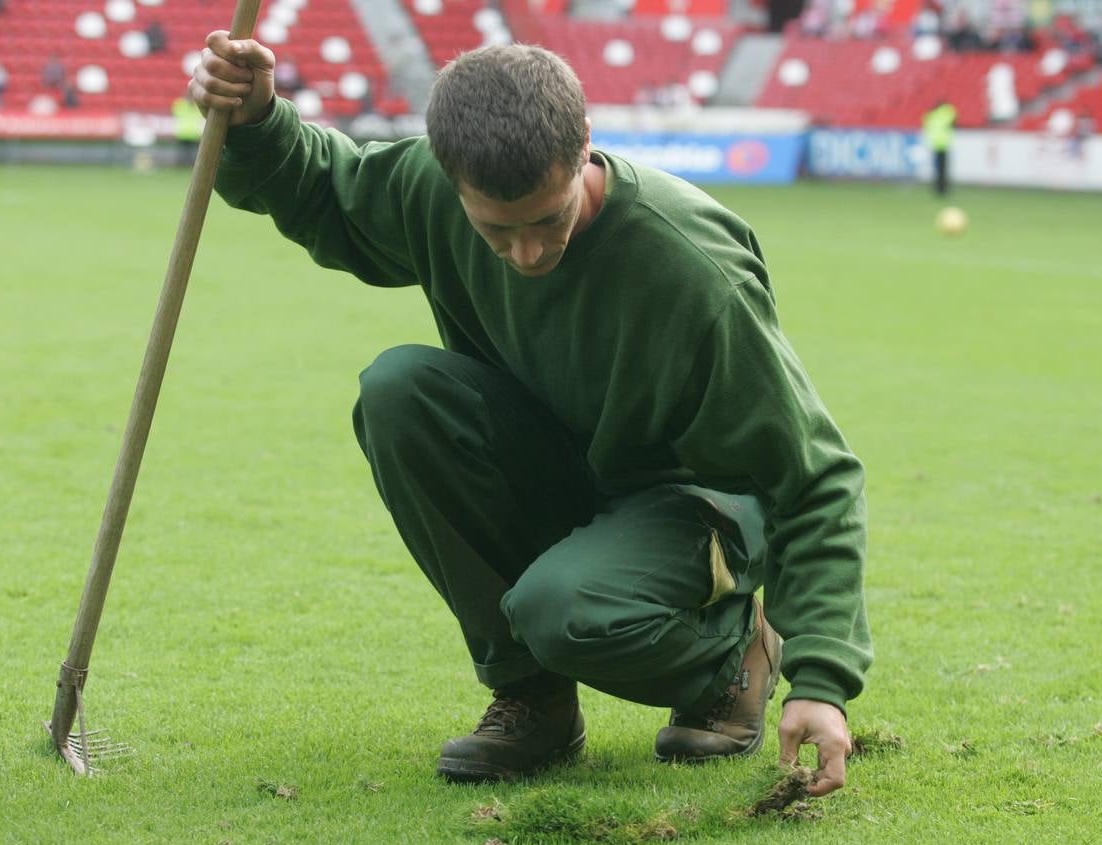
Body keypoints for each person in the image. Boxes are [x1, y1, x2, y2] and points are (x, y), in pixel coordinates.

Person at [188, 36, 870, 795]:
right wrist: (256, 121)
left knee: (563, 610)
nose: (525, 253)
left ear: (585, 147)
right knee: (400, 389)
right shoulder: (429, 187)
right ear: (452, 181)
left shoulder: (692, 274)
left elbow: (816, 479)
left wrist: (821, 679)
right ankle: (533, 700)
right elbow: (328, 188)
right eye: (496, 231)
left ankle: (735, 653)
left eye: (549, 219)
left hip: (700, 505)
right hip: (573, 470)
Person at [923, 98, 956, 196]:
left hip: (936, 145)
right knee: (943, 170)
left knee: (937, 169)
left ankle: (937, 189)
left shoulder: (932, 115)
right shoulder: (946, 113)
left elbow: (925, 120)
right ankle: (943, 189)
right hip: (944, 145)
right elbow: (954, 118)